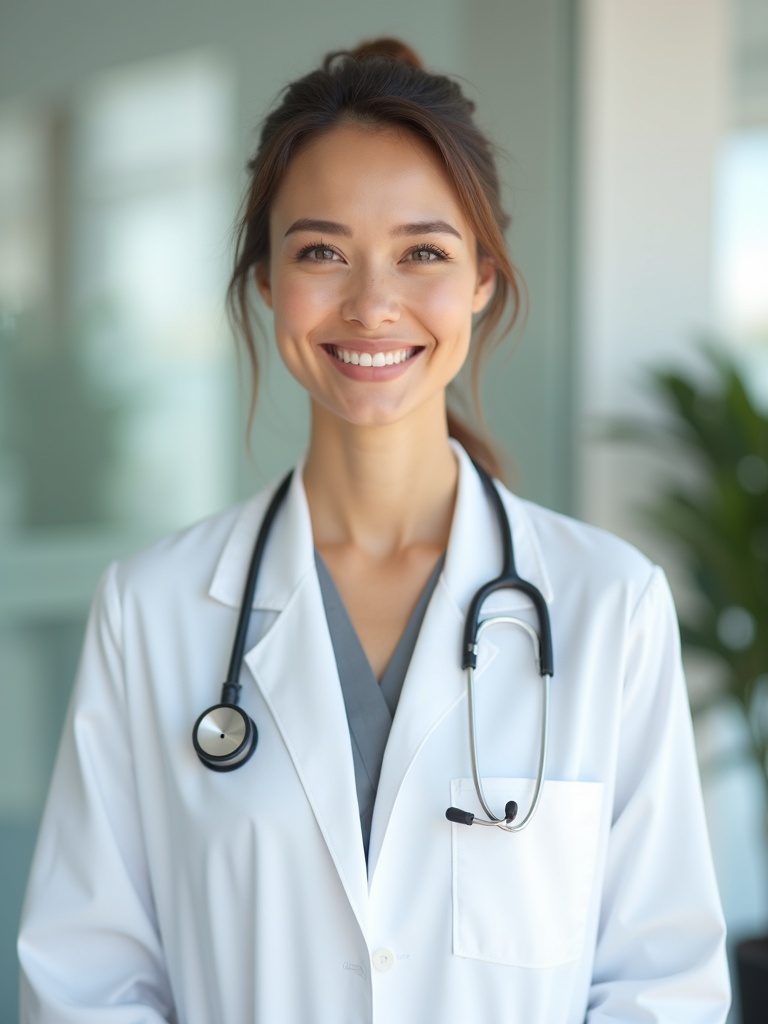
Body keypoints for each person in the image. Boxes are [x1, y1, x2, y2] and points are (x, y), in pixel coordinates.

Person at [18, 37, 730, 1023]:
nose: (372, 304)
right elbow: (85, 981)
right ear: (266, 280)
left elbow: (662, 984)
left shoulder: (610, 605)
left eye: (422, 252)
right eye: (321, 251)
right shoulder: (152, 610)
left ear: (483, 279)